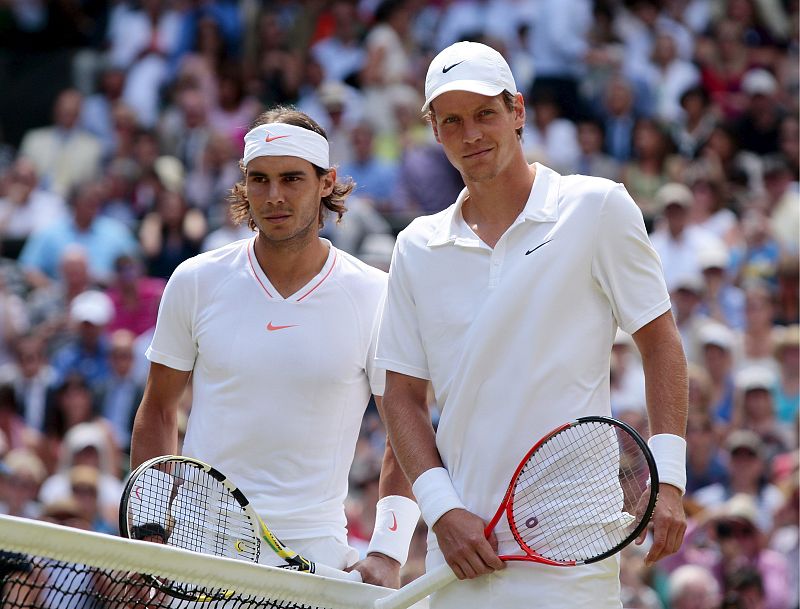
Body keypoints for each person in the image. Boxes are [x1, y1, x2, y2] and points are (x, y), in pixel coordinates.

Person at [376, 41, 688, 609]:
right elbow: (398, 394)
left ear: (517, 111)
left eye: (485, 114)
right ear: (434, 132)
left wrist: (669, 479)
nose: (470, 134)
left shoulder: (597, 207)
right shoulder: (414, 246)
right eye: (452, 121)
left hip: (575, 545)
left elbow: (661, 343)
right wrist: (442, 510)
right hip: (462, 554)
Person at [129, 106, 417, 587]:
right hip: (197, 550)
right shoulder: (195, 280)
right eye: (259, 180)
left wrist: (388, 550)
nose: (274, 196)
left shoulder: (376, 294)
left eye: (291, 178)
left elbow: (404, 430)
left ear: (327, 182)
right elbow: (157, 411)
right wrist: (150, 528)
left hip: (316, 557)